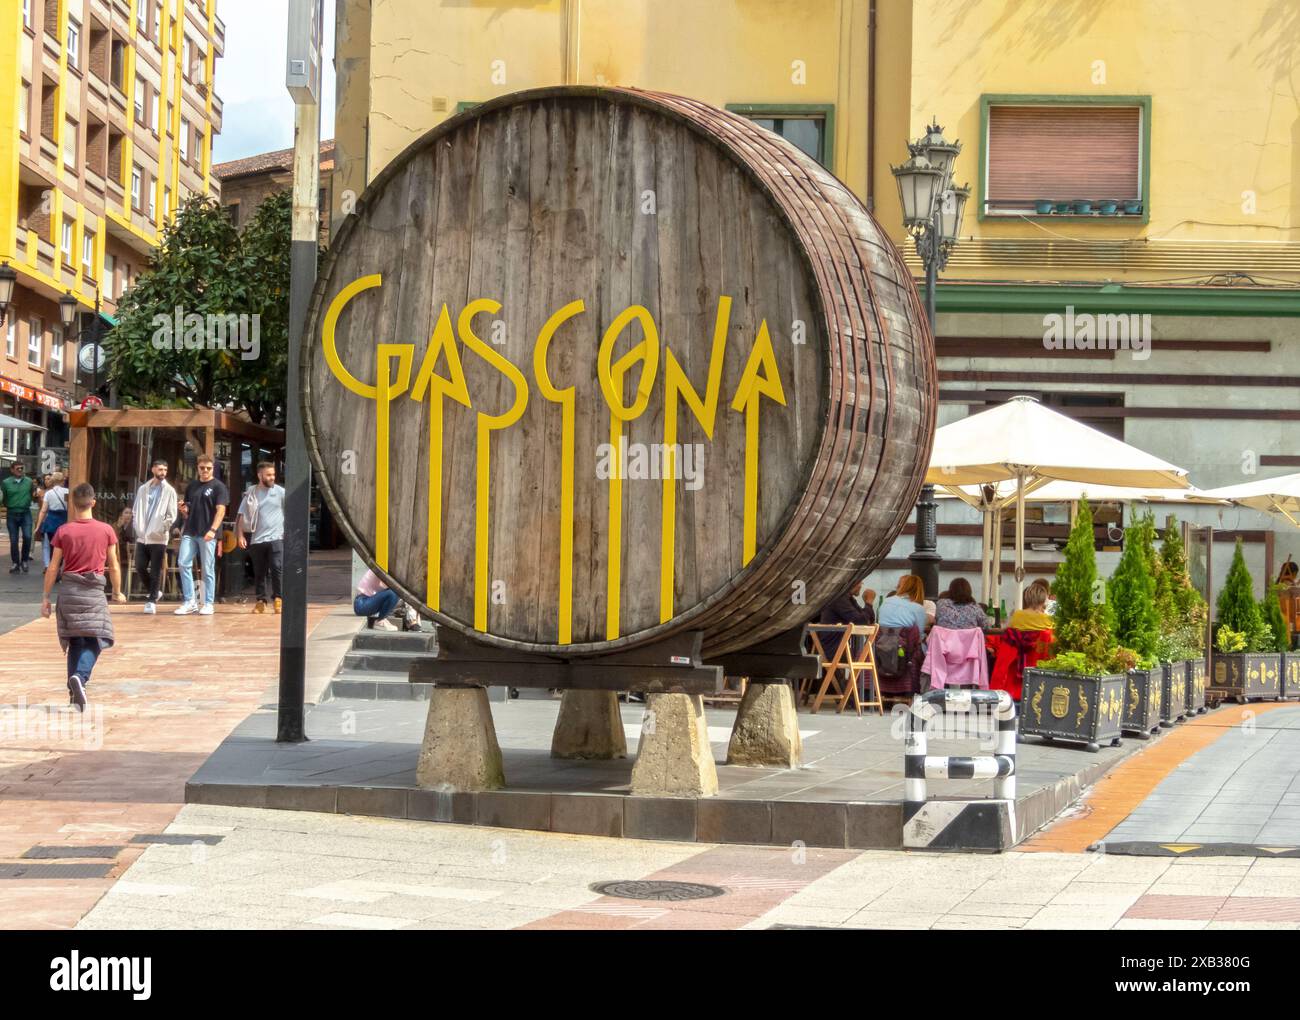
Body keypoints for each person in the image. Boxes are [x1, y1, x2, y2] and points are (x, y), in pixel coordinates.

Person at [41, 483, 126, 711]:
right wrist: (117, 591)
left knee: (75, 640)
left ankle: (74, 695)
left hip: (69, 591)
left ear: (73, 503)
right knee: (98, 638)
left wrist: (46, 597)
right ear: (93, 502)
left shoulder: (64, 531)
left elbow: (53, 567)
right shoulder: (106, 530)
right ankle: (80, 677)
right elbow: (114, 564)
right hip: (93, 591)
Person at [175, 455, 229, 616]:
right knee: (183, 562)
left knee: (208, 568)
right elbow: (188, 511)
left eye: (208, 468)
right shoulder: (192, 486)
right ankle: (190, 601)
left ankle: (208, 602)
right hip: (190, 531)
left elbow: (221, 510)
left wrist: (213, 530)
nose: (205, 470)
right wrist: (184, 509)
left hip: (207, 533)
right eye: (202, 468)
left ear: (213, 469)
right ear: (197, 468)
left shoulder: (219, 487)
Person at [130, 460, 178, 614]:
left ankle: (151, 601)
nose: (163, 472)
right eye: (160, 469)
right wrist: (137, 526)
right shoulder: (143, 489)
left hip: (158, 537)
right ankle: (155, 592)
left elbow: (172, 514)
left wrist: (162, 528)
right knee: (140, 566)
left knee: (156, 570)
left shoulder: (169, 490)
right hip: (142, 535)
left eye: (165, 469)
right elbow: (136, 509)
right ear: (153, 469)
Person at [236, 461, 285, 614]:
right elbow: (241, 515)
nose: (272, 478)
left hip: (276, 537)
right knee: (259, 572)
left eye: (273, 475)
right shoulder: (251, 493)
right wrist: (240, 535)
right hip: (257, 539)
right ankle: (261, 601)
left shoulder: (281, 492)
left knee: (277, 568)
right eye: (268, 475)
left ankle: (278, 599)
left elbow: (291, 509)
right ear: (260, 475)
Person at [3, 460, 35, 573]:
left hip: (25, 512)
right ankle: (15, 563)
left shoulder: (29, 482)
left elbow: (32, 495)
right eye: (18, 468)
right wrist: (10, 506)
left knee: (27, 537)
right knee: (13, 539)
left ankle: (24, 560)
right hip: (12, 513)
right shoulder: (6, 483)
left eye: (22, 468)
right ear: (12, 470)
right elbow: (4, 498)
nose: (20, 470)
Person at [34, 471, 70, 569]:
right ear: (63, 480)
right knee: (63, 546)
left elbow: (43, 510)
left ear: (53, 481)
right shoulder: (67, 492)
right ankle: (59, 566)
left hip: (51, 522)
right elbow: (70, 507)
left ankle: (52, 567)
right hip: (64, 521)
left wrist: (38, 526)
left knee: (52, 546)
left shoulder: (49, 493)